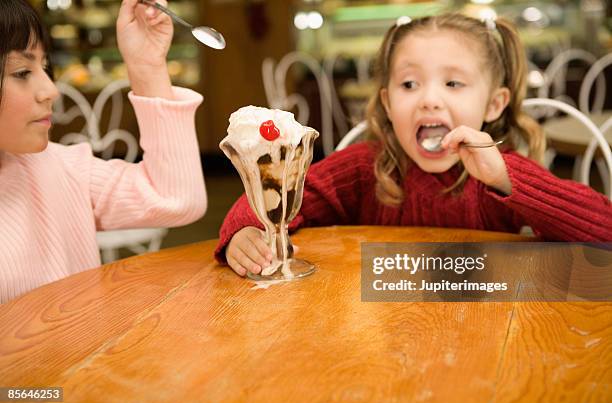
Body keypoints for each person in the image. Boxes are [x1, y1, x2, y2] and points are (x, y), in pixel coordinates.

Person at [216, 13, 612, 277]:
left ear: (494, 104)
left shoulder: (501, 174)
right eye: (409, 84)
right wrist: (245, 232)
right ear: (388, 102)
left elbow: (604, 230)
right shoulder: (363, 168)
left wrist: (509, 179)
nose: (429, 99)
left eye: (453, 83)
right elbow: (276, 200)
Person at [0, 0, 207, 302]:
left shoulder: (61, 168)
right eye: (21, 72)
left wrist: (147, 66)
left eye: (45, 67)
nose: (51, 90)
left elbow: (176, 199)